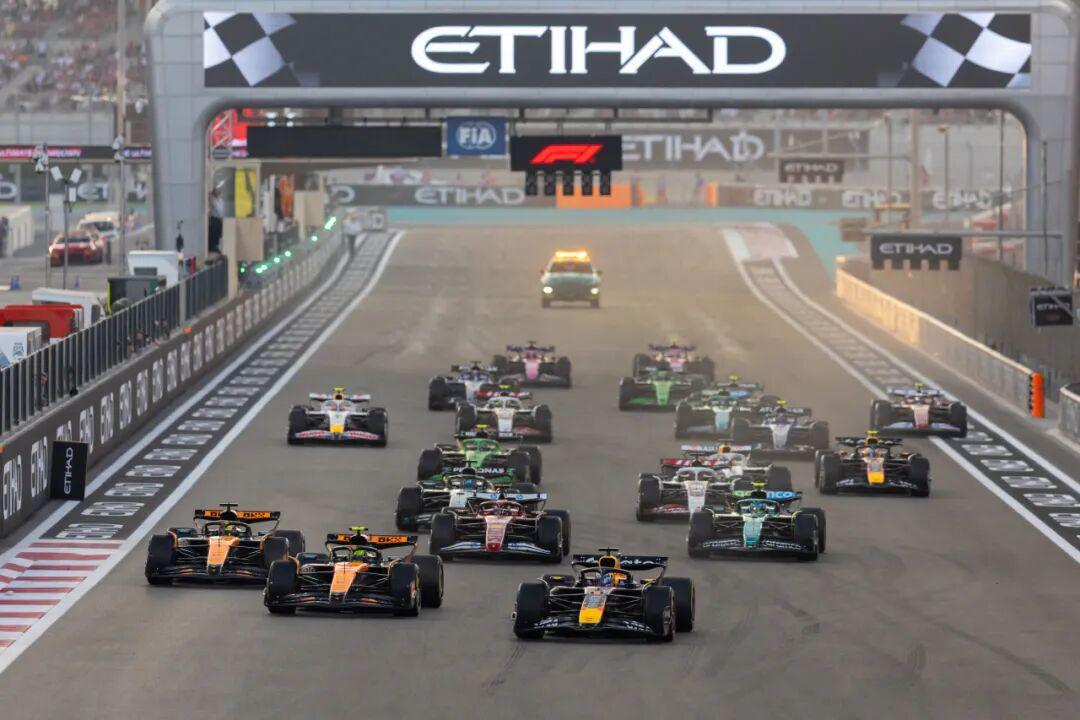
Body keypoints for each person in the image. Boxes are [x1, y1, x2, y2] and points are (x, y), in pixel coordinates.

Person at [207, 188, 224, 254]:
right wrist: (211, 197)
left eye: (218, 192)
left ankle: (216, 246)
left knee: (218, 234)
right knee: (213, 234)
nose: (217, 193)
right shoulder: (213, 200)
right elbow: (217, 209)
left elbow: (221, 211)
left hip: (219, 219)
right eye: (216, 192)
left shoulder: (221, 200)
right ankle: (212, 247)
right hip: (214, 218)